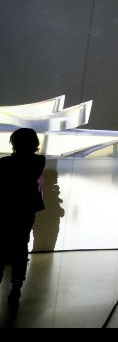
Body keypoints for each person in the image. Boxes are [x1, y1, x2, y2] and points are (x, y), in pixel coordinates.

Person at [0, 128, 46, 307]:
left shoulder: (4, 163)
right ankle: (16, 288)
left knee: (2, 244)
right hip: (25, 209)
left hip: (5, 208)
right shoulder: (38, 161)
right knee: (21, 245)